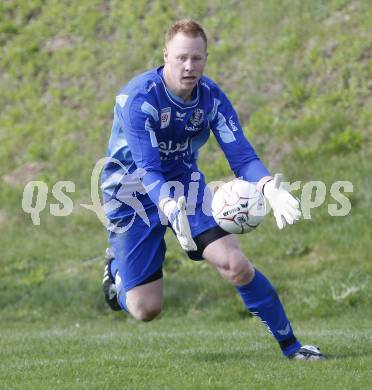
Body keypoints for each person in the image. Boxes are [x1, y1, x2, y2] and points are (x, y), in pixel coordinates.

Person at [101, 19, 324, 360]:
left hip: (185, 186)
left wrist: (268, 187)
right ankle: (116, 272)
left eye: (197, 58)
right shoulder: (139, 99)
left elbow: (242, 155)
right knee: (145, 309)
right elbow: (148, 169)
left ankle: (293, 348)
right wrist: (169, 209)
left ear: (205, 57)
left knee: (236, 265)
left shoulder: (211, 99)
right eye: (181, 58)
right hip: (130, 193)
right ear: (165, 56)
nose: (189, 66)